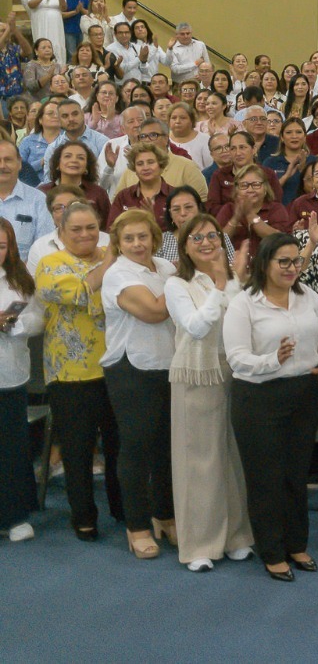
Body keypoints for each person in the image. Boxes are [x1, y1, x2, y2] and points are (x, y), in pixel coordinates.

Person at [223, 231, 318, 582]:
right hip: (258, 397)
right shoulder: (244, 303)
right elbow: (237, 359)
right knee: (265, 478)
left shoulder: (309, 298)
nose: (292, 268)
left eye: (297, 261)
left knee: (295, 474)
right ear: (264, 264)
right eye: (284, 262)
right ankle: (272, 551)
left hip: (304, 393)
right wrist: (273, 360)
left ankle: (296, 544)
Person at [162, 213, 253, 572]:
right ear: (184, 246)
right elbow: (198, 327)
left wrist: (232, 281)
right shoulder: (176, 284)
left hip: (231, 371)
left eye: (212, 236)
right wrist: (219, 285)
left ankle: (236, 536)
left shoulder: (232, 279)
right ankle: (199, 544)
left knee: (229, 455)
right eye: (196, 238)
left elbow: (239, 322)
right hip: (196, 375)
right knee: (197, 461)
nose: (206, 243)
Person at [31, 201, 121, 540]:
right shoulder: (50, 264)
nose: (85, 235)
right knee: (78, 450)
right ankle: (84, 517)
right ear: (61, 233)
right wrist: (111, 259)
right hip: (70, 375)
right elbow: (81, 291)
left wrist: (111, 257)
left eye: (90, 228)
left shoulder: (113, 257)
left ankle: (122, 508)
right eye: (76, 229)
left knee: (119, 446)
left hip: (117, 365)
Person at [100, 209, 178, 560]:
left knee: (166, 448)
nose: (136, 244)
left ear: (154, 238)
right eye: (128, 238)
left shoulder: (166, 268)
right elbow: (154, 312)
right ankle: (138, 527)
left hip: (169, 366)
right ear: (117, 243)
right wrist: (184, 286)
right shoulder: (117, 275)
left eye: (142, 237)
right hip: (131, 370)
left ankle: (165, 515)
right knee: (137, 449)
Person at [0, 218, 39, 544]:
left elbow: (38, 319)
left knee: (11, 448)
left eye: (1, 246)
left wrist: (13, 325)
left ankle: (14, 516)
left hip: (9, 375)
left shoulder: (20, 280)